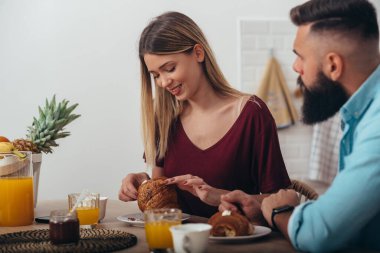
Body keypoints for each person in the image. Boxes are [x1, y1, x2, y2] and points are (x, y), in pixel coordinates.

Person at [219, 0, 380, 251]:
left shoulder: (376, 125)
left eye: (300, 57)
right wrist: (264, 209)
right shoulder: (363, 111)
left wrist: (281, 211)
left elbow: (319, 235)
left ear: (333, 65)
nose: (296, 67)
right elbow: (349, 217)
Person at [118, 11, 291, 218]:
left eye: (170, 69)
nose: (163, 82)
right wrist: (144, 182)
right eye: (156, 75)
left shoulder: (252, 114)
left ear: (198, 53)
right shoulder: (164, 118)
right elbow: (162, 202)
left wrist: (219, 196)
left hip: (234, 241)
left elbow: (283, 201)